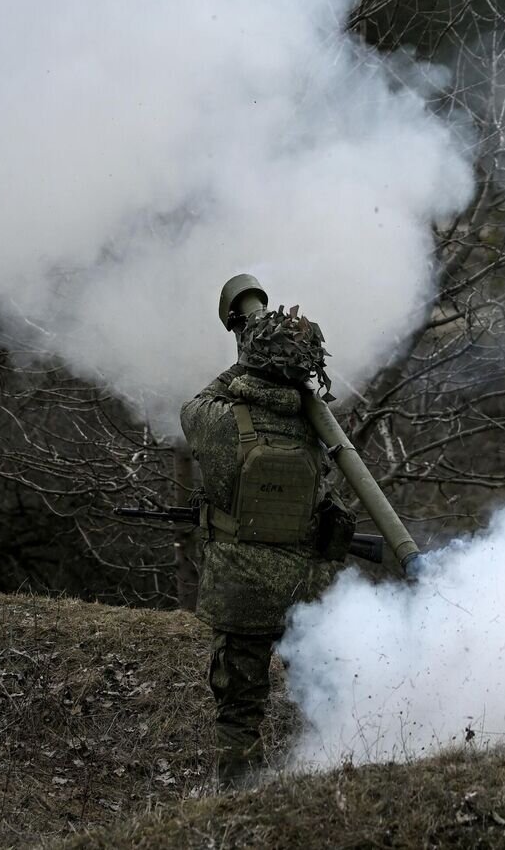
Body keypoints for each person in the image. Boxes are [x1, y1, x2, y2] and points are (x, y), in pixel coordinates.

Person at [179, 304, 353, 784]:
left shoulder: (219, 421)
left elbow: (194, 404)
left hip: (239, 592)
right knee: (318, 697)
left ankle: (237, 800)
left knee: (239, 710)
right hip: (304, 590)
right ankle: (323, 784)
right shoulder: (318, 430)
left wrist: (243, 360)